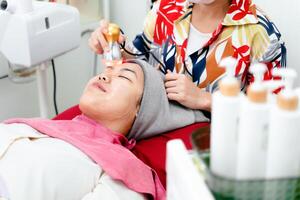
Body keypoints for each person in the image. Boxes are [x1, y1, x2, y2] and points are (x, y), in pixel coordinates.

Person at [0, 59, 208, 200]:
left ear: (142, 110)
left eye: (124, 77)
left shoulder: (124, 172)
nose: (103, 77)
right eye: (107, 71)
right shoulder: (32, 128)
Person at [89, 0, 286, 111]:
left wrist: (205, 100)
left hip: (214, 149)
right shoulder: (165, 9)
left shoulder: (262, 33)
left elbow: (273, 111)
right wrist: (114, 44)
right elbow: (143, 60)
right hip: (156, 135)